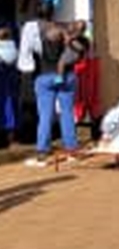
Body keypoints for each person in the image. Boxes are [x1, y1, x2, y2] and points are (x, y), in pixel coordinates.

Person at [28, 18, 85, 168]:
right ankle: (72, 150)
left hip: (45, 77)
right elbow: (78, 54)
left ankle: (42, 153)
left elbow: (30, 51)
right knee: (67, 114)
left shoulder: (42, 35)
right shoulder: (81, 42)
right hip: (68, 78)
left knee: (45, 115)